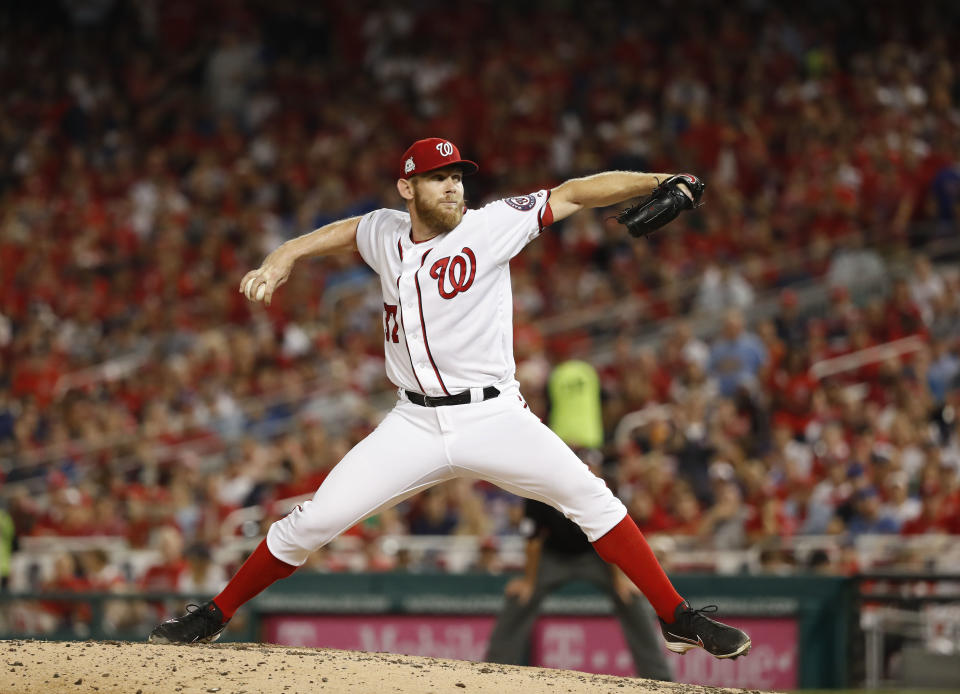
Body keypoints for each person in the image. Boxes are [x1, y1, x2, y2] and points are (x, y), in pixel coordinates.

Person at [149, 137, 751, 661]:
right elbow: (342, 232)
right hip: (412, 422)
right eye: (440, 178)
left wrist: (660, 181)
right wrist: (283, 256)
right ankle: (216, 615)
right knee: (316, 521)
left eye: (458, 176)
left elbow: (572, 192)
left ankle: (677, 618)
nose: (454, 188)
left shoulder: (491, 225)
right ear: (407, 188)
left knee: (592, 499)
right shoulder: (385, 229)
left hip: (493, 415)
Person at [486, 495, 673, 680]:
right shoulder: (538, 492)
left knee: (629, 597)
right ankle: (492, 673)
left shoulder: (595, 486)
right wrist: (529, 582)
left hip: (596, 554)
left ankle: (659, 679)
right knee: (520, 597)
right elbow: (533, 541)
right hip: (553, 556)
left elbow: (611, 533)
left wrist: (619, 580)